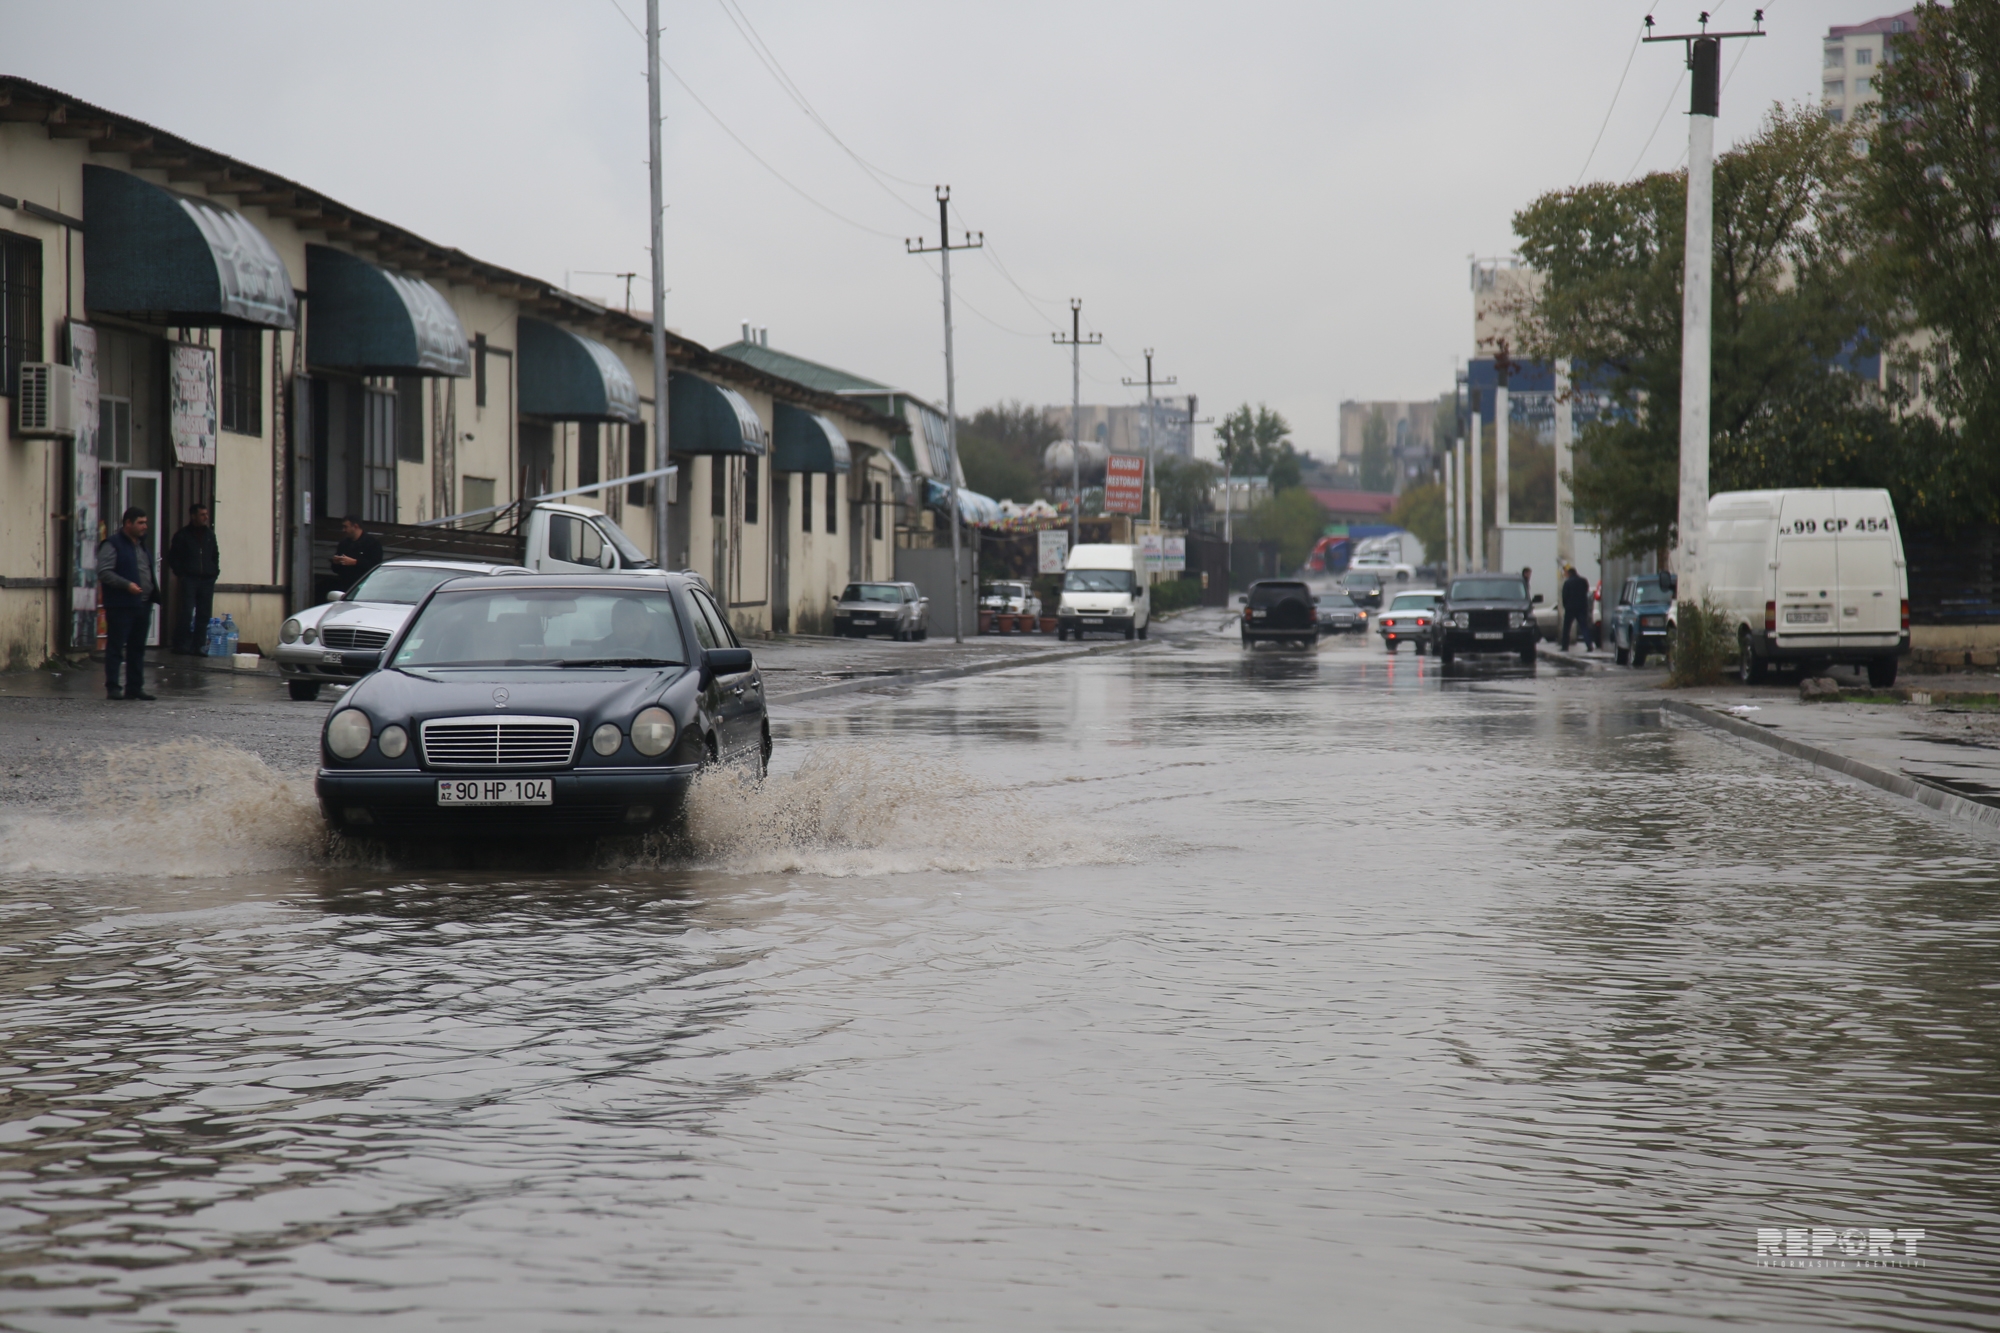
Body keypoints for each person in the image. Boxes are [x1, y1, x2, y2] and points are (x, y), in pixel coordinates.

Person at [96, 506, 158, 700]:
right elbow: (104, 571)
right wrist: (126, 585)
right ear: (128, 523)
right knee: (116, 647)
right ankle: (113, 687)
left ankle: (135, 687)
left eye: (145, 522)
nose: (144, 526)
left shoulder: (141, 546)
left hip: (143, 603)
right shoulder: (113, 544)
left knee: (137, 648)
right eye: (140, 522)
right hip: (121, 605)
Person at [167, 502, 220, 654]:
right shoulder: (183, 535)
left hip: (207, 580)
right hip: (190, 579)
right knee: (186, 612)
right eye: (202, 514)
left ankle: (199, 646)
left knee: (204, 614)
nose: (206, 517)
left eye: (206, 514)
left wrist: (214, 572)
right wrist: (181, 574)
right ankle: (181, 644)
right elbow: (173, 557)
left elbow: (215, 555)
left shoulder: (209, 535)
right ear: (193, 516)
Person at [331, 516, 383, 593]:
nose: (343, 530)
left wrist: (355, 562)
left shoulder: (372, 543)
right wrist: (336, 562)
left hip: (365, 587)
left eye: (346, 527)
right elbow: (336, 570)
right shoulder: (344, 544)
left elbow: (375, 565)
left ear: (355, 526)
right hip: (346, 587)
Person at [1560, 564, 1594, 652]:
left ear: (1569, 574)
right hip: (1582, 607)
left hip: (1570, 608)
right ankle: (1589, 644)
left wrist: (1566, 606)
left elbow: (1564, 596)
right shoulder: (1583, 581)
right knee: (1584, 627)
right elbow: (1587, 591)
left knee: (1566, 628)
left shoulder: (1567, 583)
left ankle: (1565, 646)